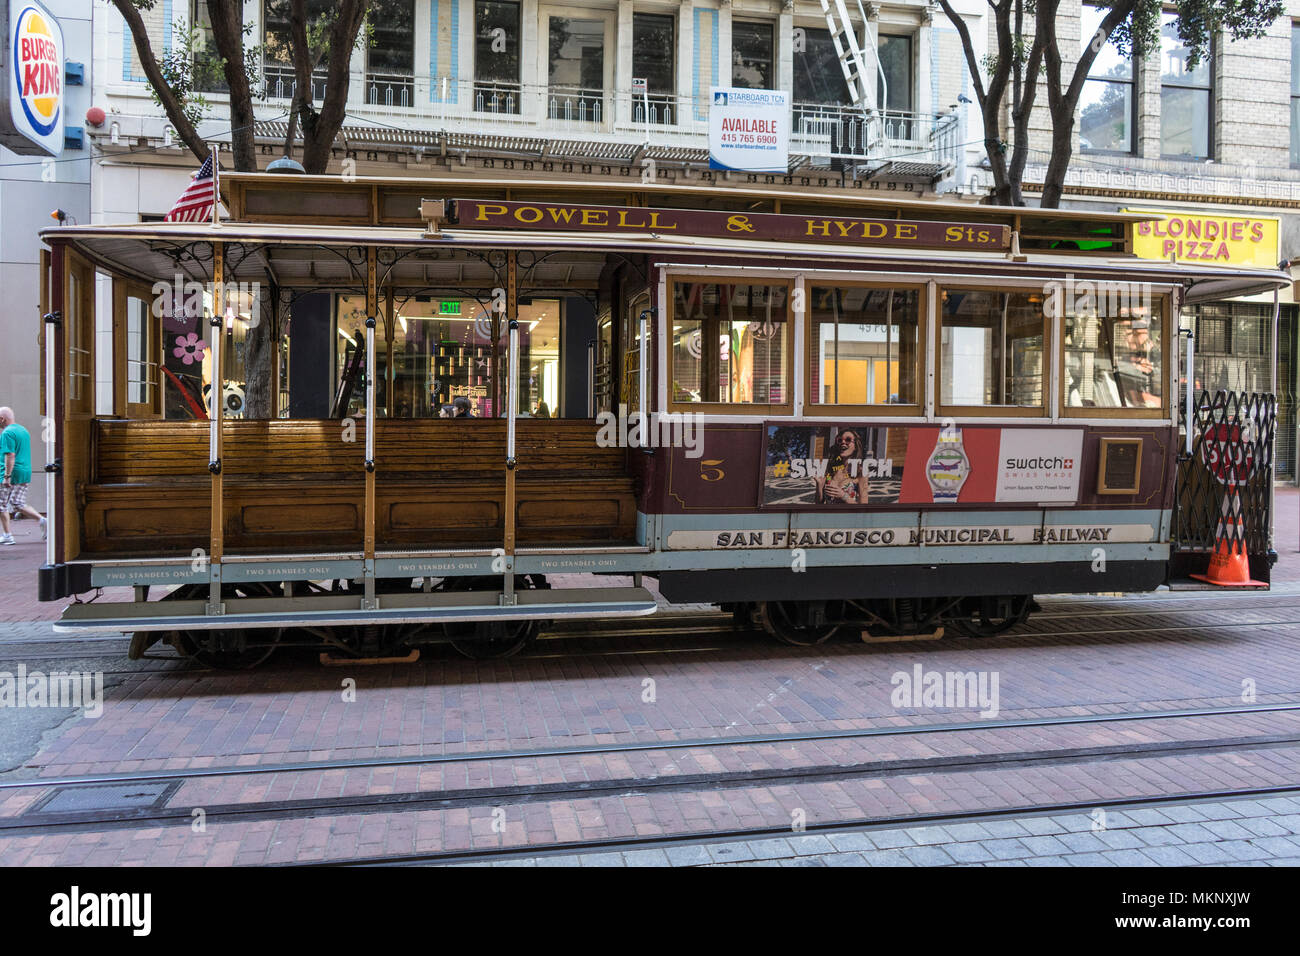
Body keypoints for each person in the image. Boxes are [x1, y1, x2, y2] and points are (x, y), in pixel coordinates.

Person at [0, 407, 45, 545]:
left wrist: (7, 476)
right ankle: (43, 520)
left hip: (11, 472)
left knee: (1, 505)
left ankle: (8, 535)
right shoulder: (23, 431)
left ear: (2, 419)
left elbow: (10, 455)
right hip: (24, 471)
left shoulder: (7, 433)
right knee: (18, 503)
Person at [815, 428, 864, 505]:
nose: (843, 442)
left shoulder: (860, 471)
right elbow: (818, 503)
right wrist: (819, 486)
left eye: (848, 439)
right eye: (839, 440)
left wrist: (843, 495)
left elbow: (864, 507)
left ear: (855, 447)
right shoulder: (830, 470)